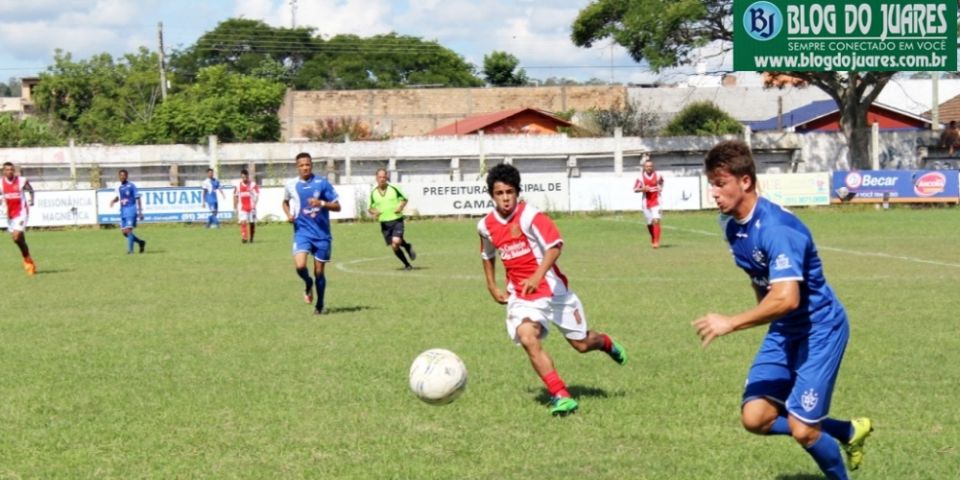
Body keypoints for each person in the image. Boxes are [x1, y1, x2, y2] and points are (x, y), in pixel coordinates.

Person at [693, 140, 872, 479]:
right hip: (785, 329)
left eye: (720, 183)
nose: (713, 193)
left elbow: (787, 298)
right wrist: (765, 308)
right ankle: (847, 431)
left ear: (745, 181)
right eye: (711, 184)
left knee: (803, 430)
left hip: (820, 329)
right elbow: (759, 278)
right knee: (755, 418)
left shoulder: (777, 229)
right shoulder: (730, 225)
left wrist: (730, 323)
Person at [478, 163, 627, 416]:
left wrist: (538, 275)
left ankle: (605, 342)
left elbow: (555, 246)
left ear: (518, 192)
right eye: (500, 193)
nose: (505, 198)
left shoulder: (530, 216)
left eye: (510, 192)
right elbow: (486, 253)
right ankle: (561, 395)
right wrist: (491, 286)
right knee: (527, 336)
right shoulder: (485, 225)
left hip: (554, 292)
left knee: (581, 344)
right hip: (522, 296)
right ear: (492, 195)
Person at [282, 153, 341, 315]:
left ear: (311, 165)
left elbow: (338, 207)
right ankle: (308, 283)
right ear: (297, 167)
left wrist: (321, 203)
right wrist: (288, 215)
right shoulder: (291, 185)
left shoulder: (322, 183)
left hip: (322, 234)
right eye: (301, 165)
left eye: (307, 164)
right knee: (300, 266)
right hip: (302, 232)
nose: (305, 167)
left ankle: (320, 304)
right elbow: (285, 202)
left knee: (319, 272)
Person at [368, 168, 416, 270]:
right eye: (380, 177)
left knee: (396, 241)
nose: (382, 179)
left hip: (396, 220)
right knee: (395, 246)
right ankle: (407, 263)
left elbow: (404, 199)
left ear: (387, 177)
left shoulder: (394, 188)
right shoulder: (373, 193)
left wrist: (400, 207)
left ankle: (406, 249)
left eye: (384, 177)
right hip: (384, 223)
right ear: (376, 178)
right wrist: (374, 212)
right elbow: (370, 208)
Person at [2, 162, 37, 275]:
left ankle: (27, 261)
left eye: (11, 169)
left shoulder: (21, 180)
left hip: (22, 213)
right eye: (7, 170)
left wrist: (32, 200)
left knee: (17, 237)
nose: (9, 172)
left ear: (14, 171)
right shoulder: (1, 183)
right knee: (17, 239)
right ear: (3, 171)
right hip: (10, 215)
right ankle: (27, 258)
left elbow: (30, 190)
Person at [108, 169, 147, 255]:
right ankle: (141, 242)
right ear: (119, 176)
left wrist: (140, 212)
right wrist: (113, 201)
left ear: (127, 176)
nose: (122, 177)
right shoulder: (118, 187)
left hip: (131, 209)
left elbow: (138, 198)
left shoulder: (131, 186)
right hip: (123, 210)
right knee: (124, 233)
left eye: (124, 175)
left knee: (129, 230)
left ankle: (130, 251)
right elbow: (119, 197)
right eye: (120, 175)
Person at [633, 157, 664, 248]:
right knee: (650, 223)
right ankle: (653, 237)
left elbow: (662, 182)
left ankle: (656, 242)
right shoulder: (640, 177)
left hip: (657, 201)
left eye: (650, 166)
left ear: (653, 167)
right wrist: (643, 189)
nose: (649, 168)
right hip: (646, 203)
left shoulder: (658, 175)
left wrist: (661, 187)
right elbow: (635, 189)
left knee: (656, 220)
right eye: (647, 166)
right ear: (644, 167)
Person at [234, 169, 260, 244]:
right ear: (241, 177)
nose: (244, 179)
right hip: (243, 208)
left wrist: (255, 204)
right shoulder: (238, 185)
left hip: (252, 207)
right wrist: (235, 207)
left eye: (245, 177)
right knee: (243, 222)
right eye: (242, 177)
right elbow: (235, 196)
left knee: (252, 223)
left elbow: (257, 195)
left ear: (248, 176)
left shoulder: (253, 184)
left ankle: (251, 238)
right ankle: (244, 237)